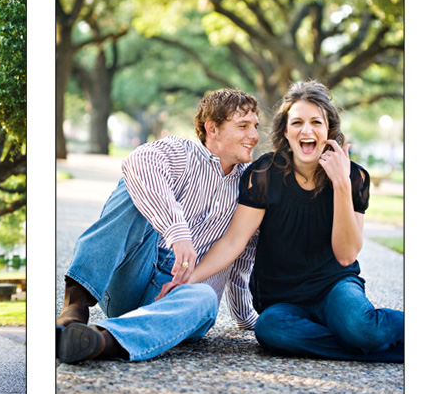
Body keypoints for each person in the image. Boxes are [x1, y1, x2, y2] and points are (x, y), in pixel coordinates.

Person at [165, 81, 404, 362]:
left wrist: (340, 184)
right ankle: (383, 349)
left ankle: (365, 338)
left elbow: (346, 254)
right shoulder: (264, 174)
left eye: (316, 122)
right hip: (281, 298)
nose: (307, 130)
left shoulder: (353, 177)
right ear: (286, 131)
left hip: (335, 286)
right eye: (297, 122)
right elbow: (232, 242)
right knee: (270, 330)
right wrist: (188, 279)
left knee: (362, 329)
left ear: (329, 130)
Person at [56, 89, 261, 363]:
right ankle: (76, 302)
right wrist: (177, 231)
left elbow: (241, 255)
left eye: (256, 126)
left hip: (177, 303)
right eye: (243, 126)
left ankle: (100, 340)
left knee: (206, 298)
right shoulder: (182, 152)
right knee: (134, 188)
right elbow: (137, 161)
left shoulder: (248, 186)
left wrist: (248, 319)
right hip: (132, 275)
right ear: (212, 128)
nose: (255, 136)